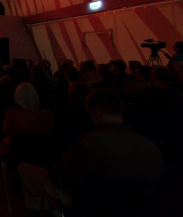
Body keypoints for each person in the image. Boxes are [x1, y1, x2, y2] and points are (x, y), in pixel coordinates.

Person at [18, 88, 163, 216]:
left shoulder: (86, 143)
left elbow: (64, 179)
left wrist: (51, 168)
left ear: (96, 112)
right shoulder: (150, 147)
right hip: (133, 208)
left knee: (25, 169)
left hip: (91, 203)